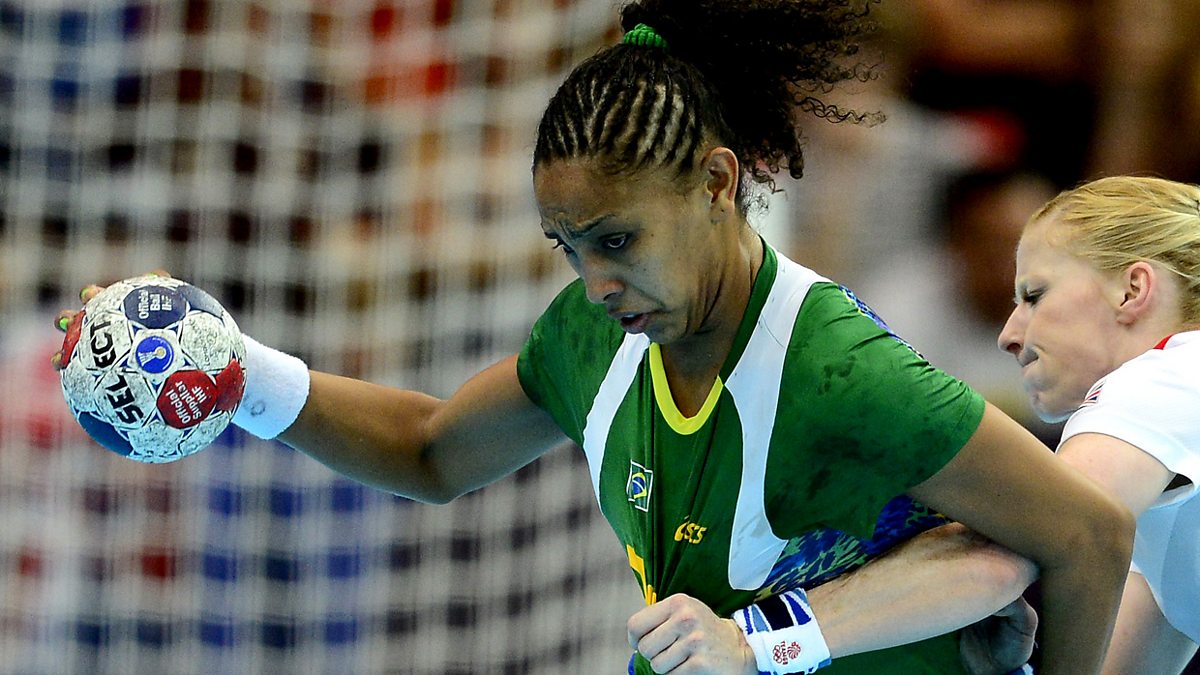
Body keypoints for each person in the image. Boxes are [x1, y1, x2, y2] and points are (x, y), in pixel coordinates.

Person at [52, 2, 1134, 673]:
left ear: (717, 182)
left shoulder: (837, 371)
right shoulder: (596, 332)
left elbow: (1085, 535)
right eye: (568, 247)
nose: (596, 282)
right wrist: (240, 373)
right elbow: (432, 451)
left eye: (617, 240)